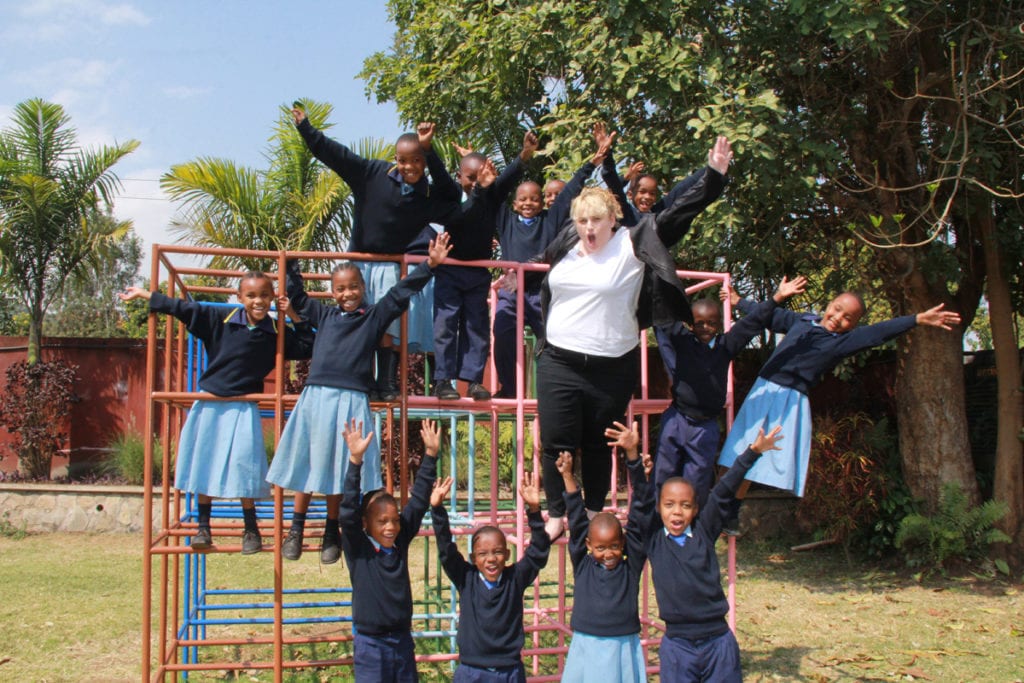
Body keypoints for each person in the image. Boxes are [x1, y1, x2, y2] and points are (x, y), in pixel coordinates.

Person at [535, 154, 728, 539]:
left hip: (612, 364)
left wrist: (714, 176)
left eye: (596, 220)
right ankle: (556, 514)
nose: (589, 228)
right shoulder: (569, 242)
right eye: (582, 220)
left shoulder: (634, 240)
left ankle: (590, 513)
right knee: (556, 440)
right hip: (559, 358)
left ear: (612, 219)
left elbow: (679, 213)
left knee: (596, 442)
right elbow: (541, 263)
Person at [266, 233, 452, 563]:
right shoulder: (323, 316)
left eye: (353, 287)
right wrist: (290, 262)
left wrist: (429, 265)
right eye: (340, 288)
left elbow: (399, 294)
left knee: (342, 467)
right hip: (317, 397)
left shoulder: (372, 317)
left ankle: (330, 530)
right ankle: (295, 529)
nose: (347, 293)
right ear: (332, 291)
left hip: (351, 400)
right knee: (308, 463)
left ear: (362, 288)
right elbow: (296, 294)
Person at [716, 292, 962, 528]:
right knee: (737, 452)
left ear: (853, 325)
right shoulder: (803, 320)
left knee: (755, 457)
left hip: (789, 399)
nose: (838, 317)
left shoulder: (843, 342)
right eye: (837, 309)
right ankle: (721, 504)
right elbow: (769, 315)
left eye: (848, 318)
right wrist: (739, 302)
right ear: (830, 304)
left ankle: (731, 512)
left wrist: (917, 319)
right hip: (763, 390)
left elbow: (878, 333)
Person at [120, 275, 313, 553]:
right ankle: (203, 529)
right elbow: (182, 308)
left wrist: (292, 314)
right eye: (251, 295)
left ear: (272, 298)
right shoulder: (219, 319)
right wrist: (144, 296)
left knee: (245, 466)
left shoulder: (275, 331)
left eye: (264, 296)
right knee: (204, 463)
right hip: (210, 402)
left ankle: (251, 530)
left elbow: (307, 345)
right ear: (239, 296)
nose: (258, 301)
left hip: (244, 406)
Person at [293, 106, 463, 401]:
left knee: (386, 321)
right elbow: (337, 155)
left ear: (423, 163)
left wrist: (430, 149)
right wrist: (306, 129)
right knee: (356, 320)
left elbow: (451, 194)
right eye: (403, 160)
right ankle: (364, 379)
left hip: (388, 264)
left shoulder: (427, 195)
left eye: (416, 161)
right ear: (395, 159)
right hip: (360, 261)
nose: (409, 167)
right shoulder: (372, 173)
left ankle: (385, 382)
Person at [645, 426, 784, 683]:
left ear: (696, 509)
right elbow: (640, 507)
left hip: (718, 642)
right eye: (669, 505)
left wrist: (753, 452)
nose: (677, 512)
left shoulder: (703, 531)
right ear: (659, 507)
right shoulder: (653, 541)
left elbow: (724, 489)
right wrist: (634, 463)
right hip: (678, 646)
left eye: (685, 506)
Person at [652, 276, 807, 504]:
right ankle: (656, 527)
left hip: (705, 426)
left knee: (697, 480)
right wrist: (655, 279)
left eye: (712, 323)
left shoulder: (726, 345)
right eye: (700, 323)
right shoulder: (684, 341)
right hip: (677, 418)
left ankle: (691, 530)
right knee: (663, 473)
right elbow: (663, 316)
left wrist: (777, 298)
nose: (706, 328)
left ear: (720, 323)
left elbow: (752, 322)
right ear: (690, 324)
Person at [491, 124, 618, 399]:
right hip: (513, 289)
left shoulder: (551, 219)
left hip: (543, 290)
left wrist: (593, 162)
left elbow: (572, 188)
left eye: (534, 199)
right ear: (514, 204)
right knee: (502, 330)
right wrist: (523, 157)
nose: (528, 203)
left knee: (553, 339)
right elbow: (496, 193)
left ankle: (554, 390)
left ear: (542, 203)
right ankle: (510, 388)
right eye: (522, 199)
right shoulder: (506, 221)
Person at [431, 132, 538, 401]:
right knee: (446, 325)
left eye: (481, 176)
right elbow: (461, 220)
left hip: (477, 272)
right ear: (460, 177)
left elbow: (509, 177)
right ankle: (443, 380)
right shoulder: (452, 197)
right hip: (450, 269)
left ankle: (475, 380)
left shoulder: (491, 195)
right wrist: (426, 146)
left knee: (476, 327)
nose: (476, 182)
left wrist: (524, 154)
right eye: (470, 177)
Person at [338, 417, 446, 683]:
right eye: (382, 521)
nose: (390, 527)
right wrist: (355, 461)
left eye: (395, 520)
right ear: (366, 524)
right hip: (371, 646)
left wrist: (431, 455)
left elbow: (419, 500)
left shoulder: (399, 543)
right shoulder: (359, 549)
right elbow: (348, 511)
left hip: (402, 641)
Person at [430, 471, 551, 682]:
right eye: (483, 554)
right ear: (473, 558)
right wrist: (437, 510)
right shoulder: (466, 579)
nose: (491, 559)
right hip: (471, 672)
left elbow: (538, 552)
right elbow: (446, 551)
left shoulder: (515, 578)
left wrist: (534, 510)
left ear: (507, 555)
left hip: (509, 672)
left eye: (497, 552)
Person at [558, 421, 651, 683]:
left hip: (623, 646)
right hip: (586, 646)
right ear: (588, 546)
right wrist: (567, 477)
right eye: (600, 548)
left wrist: (632, 456)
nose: (608, 553)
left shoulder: (629, 565)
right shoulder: (584, 563)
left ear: (623, 544)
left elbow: (641, 513)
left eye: (613, 546)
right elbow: (577, 520)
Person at [602, 137, 733, 230]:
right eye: (642, 192)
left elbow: (682, 189)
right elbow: (613, 189)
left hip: (653, 255)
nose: (647, 197)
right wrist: (607, 155)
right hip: (630, 259)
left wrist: (713, 169)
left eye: (652, 194)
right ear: (630, 194)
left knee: (685, 204)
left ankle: (715, 174)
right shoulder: (626, 213)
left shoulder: (657, 214)